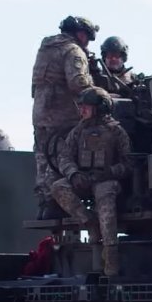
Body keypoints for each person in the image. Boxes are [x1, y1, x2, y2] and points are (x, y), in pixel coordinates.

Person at [51, 88, 131, 277]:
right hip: (82, 180)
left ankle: (110, 253)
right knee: (58, 187)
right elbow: (64, 157)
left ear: (100, 108)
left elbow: (128, 164)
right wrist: (74, 175)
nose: (82, 111)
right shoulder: (78, 131)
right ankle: (89, 222)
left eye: (86, 107)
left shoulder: (116, 132)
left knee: (105, 194)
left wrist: (107, 173)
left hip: (106, 181)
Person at [32, 15, 103, 219]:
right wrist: (102, 94)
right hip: (63, 114)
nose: (87, 42)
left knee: (43, 158)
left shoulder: (46, 48)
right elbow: (78, 83)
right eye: (87, 37)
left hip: (40, 113)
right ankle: (59, 203)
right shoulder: (73, 51)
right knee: (63, 158)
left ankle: (45, 205)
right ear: (80, 34)